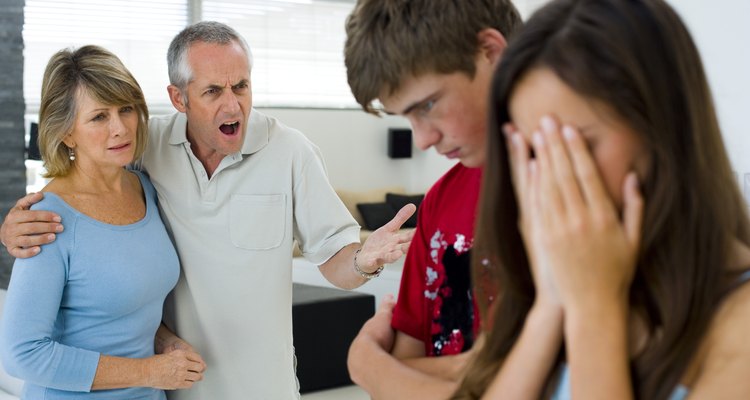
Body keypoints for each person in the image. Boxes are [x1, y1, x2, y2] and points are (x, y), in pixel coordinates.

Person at [0, 22, 415, 399]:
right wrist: (10, 229)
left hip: (257, 386)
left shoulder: (288, 152)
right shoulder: (146, 151)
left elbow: (332, 258)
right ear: (178, 98)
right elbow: (24, 347)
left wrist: (363, 258)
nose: (232, 106)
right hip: (175, 387)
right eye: (213, 91)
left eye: (241, 86)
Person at [453, 0, 750, 398]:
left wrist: (593, 309)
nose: (552, 182)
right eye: (536, 153)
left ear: (663, 126)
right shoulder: (549, 288)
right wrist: (553, 302)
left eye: (577, 145)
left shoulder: (738, 321)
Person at [0, 45, 206, 399]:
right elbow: (21, 354)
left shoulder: (144, 187)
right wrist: (149, 371)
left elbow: (123, 306)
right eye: (98, 117)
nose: (120, 128)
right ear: (66, 133)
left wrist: (166, 342)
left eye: (126, 109)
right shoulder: (47, 220)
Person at [343, 0, 521, 398]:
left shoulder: (570, 194)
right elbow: (403, 366)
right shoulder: (441, 199)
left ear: (492, 53)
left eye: (428, 105)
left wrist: (368, 363)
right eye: (407, 117)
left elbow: (543, 377)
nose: (422, 139)